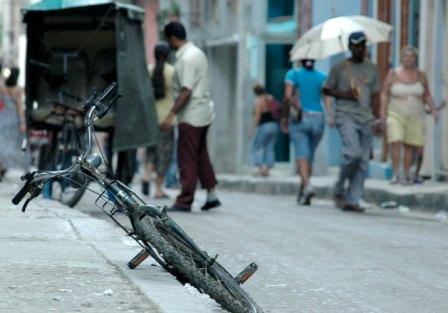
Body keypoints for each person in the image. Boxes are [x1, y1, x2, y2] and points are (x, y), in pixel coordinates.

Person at [161, 21, 221, 212]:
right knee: (201, 154)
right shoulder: (197, 52)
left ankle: (185, 200)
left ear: (171, 39)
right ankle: (211, 194)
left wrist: (171, 114)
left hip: (191, 114)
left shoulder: (186, 58)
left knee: (186, 157)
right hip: (204, 111)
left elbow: (186, 90)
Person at [322, 32, 381, 212]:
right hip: (345, 115)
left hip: (366, 117)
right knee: (353, 154)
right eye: (355, 46)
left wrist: (377, 118)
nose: (359, 49)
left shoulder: (373, 69)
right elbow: (326, 89)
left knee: (363, 160)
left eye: (362, 46)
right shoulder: (339, 67)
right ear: (350, 48)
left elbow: (376, 95)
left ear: (365, 47)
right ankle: (340, 186)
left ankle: (353, 199)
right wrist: (346, 94)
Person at [380, 46, 437, 185]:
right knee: (396, 141)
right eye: (406, 56)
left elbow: (427, 94)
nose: (409, 59)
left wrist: (433, 110)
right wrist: (383, 112)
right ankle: (395, 173)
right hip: (396, 113)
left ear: (415, 59)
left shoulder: (421, 75)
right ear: (402, 58)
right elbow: (385, 93)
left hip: (415, 115)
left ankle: (406, 174)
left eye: (411, 56)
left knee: (410, 145)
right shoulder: (393, 74)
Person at [281, 59, 333, 205]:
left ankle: (307, 185)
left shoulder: (293, 74)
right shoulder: (322, 76)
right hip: (318, 118)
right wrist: (329, 115)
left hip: (300, 117)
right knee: (309, 155)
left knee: (301, 154)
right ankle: (303, 189)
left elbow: (287, 96)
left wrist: (284, 117)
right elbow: (326, 97)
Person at [142, 42, 176, 198]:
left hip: (150, 118)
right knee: (164, 154)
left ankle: (146, 175)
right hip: (166, 119)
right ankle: (158, 189)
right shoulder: (172, 71)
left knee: (151, 150)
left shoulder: (148, 69)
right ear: (168, 54)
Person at [0, 67, 27, 180]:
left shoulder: (2, 86)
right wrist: (22, 122)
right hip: (13, 118)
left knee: (1, 144)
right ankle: (3, 167)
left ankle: (1, 167)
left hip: (2, 116)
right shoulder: (19, 89)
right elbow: (20, 107)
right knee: (10, 145)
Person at [249, 84, 279, 177]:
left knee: (256, 146)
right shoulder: (270, 98)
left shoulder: (258, 101)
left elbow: (257, 117)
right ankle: (267, 170)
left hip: (265, 126)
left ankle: (260, 168)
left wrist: (252, 129)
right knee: (269, 147)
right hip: (274, 125)